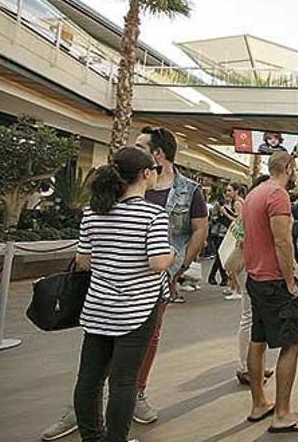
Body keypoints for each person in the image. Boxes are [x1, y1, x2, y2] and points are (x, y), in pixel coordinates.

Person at [72, 146, 174, 442]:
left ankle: (92, 437)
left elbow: (83, 261)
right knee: (124, 381)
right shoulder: (153, 214)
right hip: (137, 309)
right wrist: (170, 252)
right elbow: (157, 263)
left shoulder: (94, 211)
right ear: (145, 174)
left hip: (98, 308)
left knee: (89, 379)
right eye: (154, 170)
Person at [242, 151, 298, 433]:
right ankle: (283, 413)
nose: (295, 172)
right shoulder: (278, 194)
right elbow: (283, 242)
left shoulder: (254, 194)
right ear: (288, 167)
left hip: (256, 279)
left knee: (258, 339)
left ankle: (259, 403)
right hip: (274, 282)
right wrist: (290, 282)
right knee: (292, 343)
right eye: (295, 167)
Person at [232, 174, 275, 386]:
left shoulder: (249, 204)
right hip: (250, 266)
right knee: (249, 316)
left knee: (256, 317)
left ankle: (255, 365)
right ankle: (245, 367)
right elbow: (243, 239)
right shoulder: (251, 207)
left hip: (250, 266)